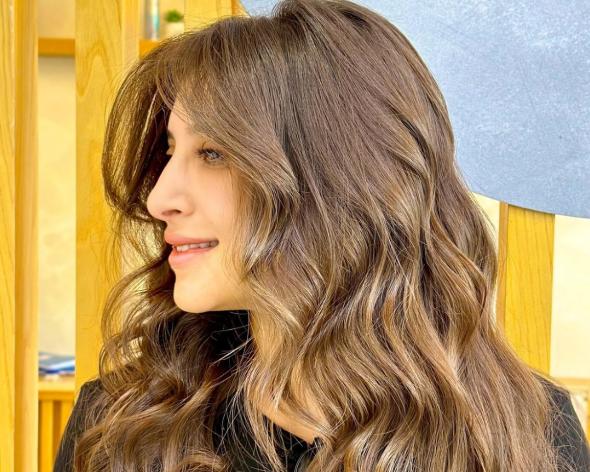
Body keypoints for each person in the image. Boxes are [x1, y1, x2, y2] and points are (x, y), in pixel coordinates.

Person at [54, 0, 590, 470]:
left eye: (213, 153)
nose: (159, 199)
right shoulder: (119, 427)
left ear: (338, 182)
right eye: (170, 151)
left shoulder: (527, 431)